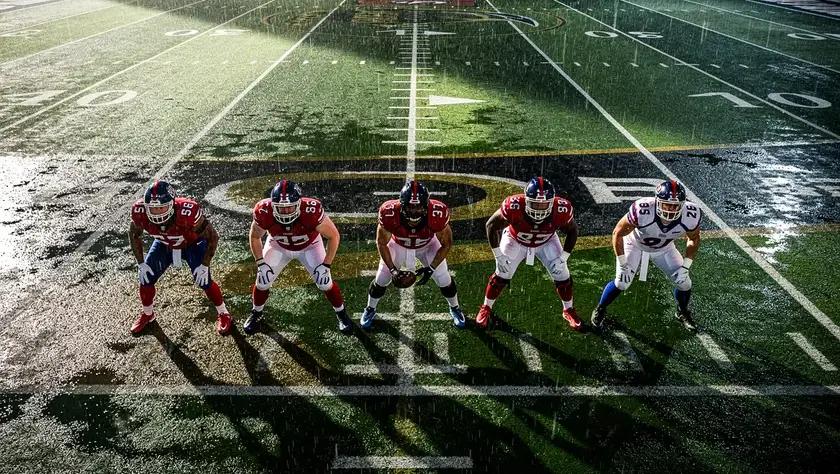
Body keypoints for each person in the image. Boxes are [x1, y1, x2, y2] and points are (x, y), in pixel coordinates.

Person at [592, 179, 701, 332]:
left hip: (664, 248)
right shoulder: (642, 210)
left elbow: (694, 238)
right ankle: (600, 308)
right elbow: (618, 232)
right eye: (666, 204)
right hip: (634, 244)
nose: (671, 209)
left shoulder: (691, 214)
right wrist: (622, 262)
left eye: (676, 206)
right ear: (657, 202)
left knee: (684, 283)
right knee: (622, 282)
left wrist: (686, 265)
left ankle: (682, 311)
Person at [244, 180, 351, 334]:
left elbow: (334, 236)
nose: (286, 211)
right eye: (281, 208)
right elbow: (254, 237)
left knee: (325, 282)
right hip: (278, 245)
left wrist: (326, 265)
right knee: (262, 280)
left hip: (309, 246)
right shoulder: (263, 211)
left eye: (290, 207)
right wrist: (260, 263)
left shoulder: (311, 211)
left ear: (299, 204)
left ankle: (342, 314)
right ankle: (256, 312)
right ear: (273, 205)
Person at [476, 176, 580, 329]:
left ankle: (568, 309)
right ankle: (486, 307)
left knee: (562, 275)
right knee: (502, 273)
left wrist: (564, 258)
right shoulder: (514, 206)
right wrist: (498, 255)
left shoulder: (561, 209)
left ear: (552, 202)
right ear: (526, 201)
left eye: (544, 204)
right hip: (515, 239)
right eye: (535, 204)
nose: (540, 209)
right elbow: (491, 225)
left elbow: (573, 231)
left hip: (546, 241)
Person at [128, 180, 231, 334]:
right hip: (164, 244)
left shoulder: (187, 213)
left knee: (204, 281)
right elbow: (133, 234)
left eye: (161, 207)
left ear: (172, 204)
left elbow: (212, 236)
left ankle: (223, 312)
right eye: (153, 209)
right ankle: (148, 314)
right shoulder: (140, 212)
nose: (157, 213)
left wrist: (204, 265)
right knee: (146, 277)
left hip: (192, 244)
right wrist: (141, 263)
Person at [360, 179, 466, 328]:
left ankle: (455, 307)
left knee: (443, 278)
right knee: (382, 278)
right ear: (402, 204)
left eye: (418, 207)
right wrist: (392, 269)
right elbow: (381, 243)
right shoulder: (389, 212)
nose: (415, 211)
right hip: (399, 244)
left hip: (427, 244)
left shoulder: (437, 213)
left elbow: (447, 244)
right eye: (410, 207)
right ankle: (370, 308)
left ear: (426, 205)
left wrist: (432, 267)